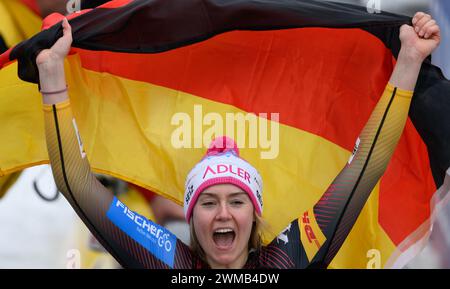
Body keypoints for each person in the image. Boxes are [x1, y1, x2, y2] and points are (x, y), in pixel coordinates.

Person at [36, 12, 441, 269]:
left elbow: (363, 169)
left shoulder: (287, 259)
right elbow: (76, 183)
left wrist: (407, 62)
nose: (223, 214)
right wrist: (52, 75)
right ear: (191, 217)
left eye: (237, 201)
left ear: (255, 215)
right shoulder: (169, 261)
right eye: (208, 203)